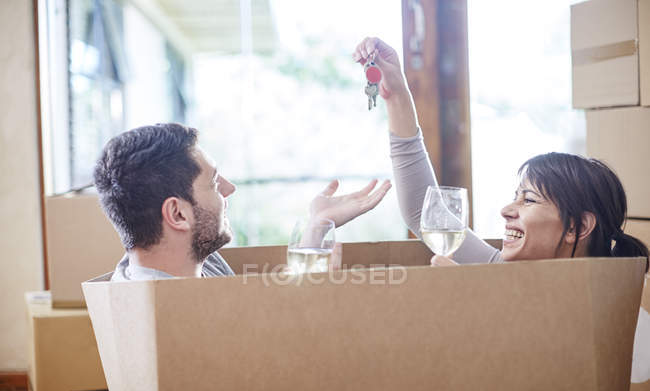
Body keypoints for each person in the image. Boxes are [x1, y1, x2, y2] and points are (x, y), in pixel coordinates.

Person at [353, 37, 648, 270]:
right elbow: (423, 210)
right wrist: (398, 95)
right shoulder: (499, 269)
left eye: (529, 199)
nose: (506, 211)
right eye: (516, 196)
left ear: (577, 226)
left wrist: (480, 299)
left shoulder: (618, 310)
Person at [93, 123, 392, 280]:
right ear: (178, 214)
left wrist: (316, 227)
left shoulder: (194, 264)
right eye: (213, 182)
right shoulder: (164, 319)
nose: (229, 189)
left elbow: (267, 309)